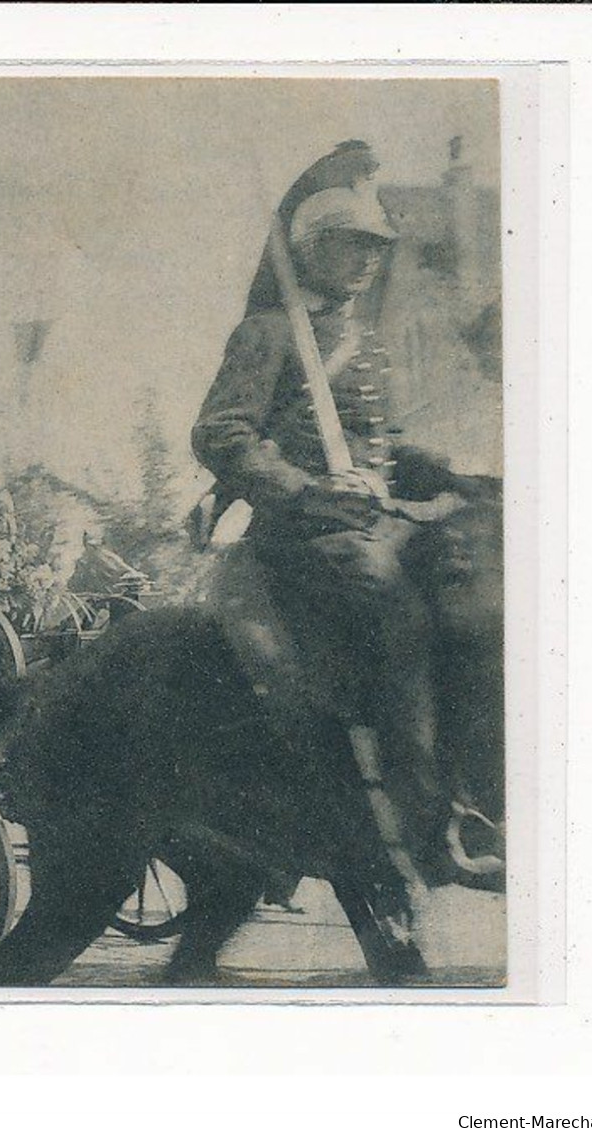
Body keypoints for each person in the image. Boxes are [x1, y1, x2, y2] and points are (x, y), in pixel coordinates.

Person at [190, 141, 464, 877]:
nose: (365, 260)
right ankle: (423, 819)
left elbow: (386, 445)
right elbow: (220, 433)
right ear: (310, 250)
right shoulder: (268, 334)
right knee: (394, 603)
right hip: (301, 535)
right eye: (349, 246)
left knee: (467, 576)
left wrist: (462, 475)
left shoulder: (364, 343)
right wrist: (306, 490)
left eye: (373, 248)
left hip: (371, 520)